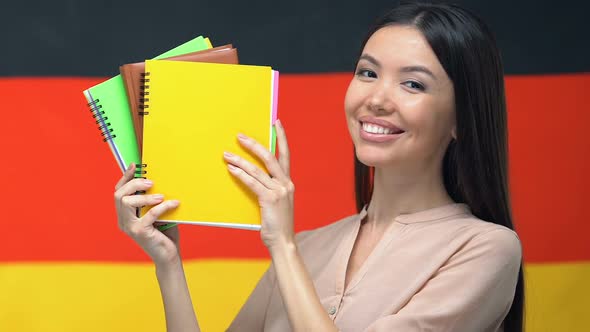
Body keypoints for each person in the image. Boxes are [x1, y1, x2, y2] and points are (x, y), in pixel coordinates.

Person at [114, 2, 524, 331]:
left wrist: (283, 246)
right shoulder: (307, 246)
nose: (378, 98)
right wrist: (168, 262)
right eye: (368, 72)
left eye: (412, 83)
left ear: (460, 118)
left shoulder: (485, 250)